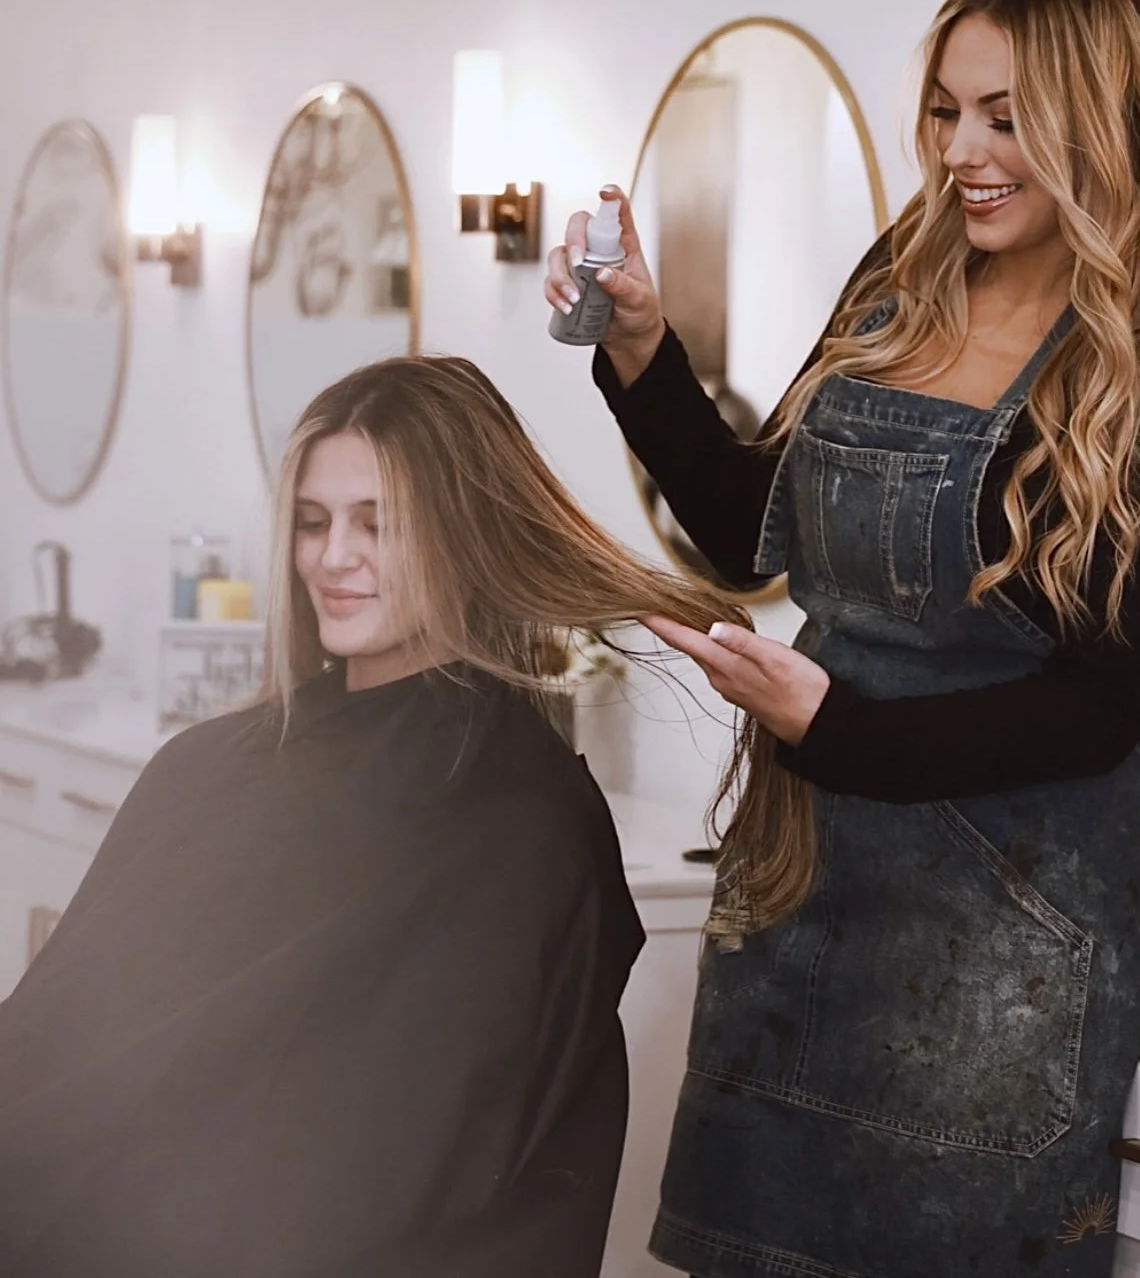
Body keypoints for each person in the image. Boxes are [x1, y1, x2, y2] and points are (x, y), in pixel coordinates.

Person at [545, 0, 1140, 1278]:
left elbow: (1099, 707)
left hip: (1011, 944)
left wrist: (837, 729)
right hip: (803, 884)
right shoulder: (898, 284)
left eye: (1005, 116)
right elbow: (744, 527)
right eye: (945, 111)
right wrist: (640, 347)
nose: (960, 152)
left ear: (1105, 119)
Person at [0, 356, 749, 1278]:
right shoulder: (208, 765)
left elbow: (413, 1149)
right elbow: (66, 1042)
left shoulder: (519, 819)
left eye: (378, 524)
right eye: (313, 522)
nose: (332, 557)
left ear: (467, 533)